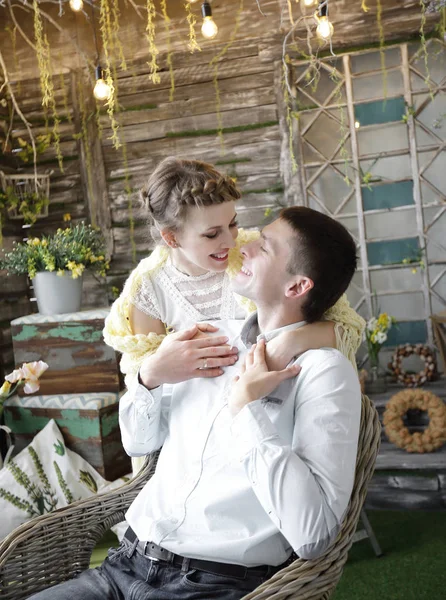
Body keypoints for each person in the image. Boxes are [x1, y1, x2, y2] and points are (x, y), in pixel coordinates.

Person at [29, 207, 361, 600]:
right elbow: (137, 443)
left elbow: (314, 535)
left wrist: (245, 409)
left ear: (296, 287)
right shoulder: (207, 337)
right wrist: (150, 377)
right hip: (122, 564)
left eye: (264, 247)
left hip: (212, 584)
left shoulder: (323, 371)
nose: (243, 245)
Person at [103, 157, 365, 389]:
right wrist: (158, 368)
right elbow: (143, 390)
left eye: (232, 224)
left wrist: (289, 342)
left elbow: (348, 329)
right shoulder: (148, 291)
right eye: (212, 234)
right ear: (171, 238)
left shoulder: (256, 255)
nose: (230, 242)